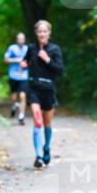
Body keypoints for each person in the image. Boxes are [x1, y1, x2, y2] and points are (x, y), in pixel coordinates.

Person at [23, 20, 64, 169]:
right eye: (39, 31)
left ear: (49, 33)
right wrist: (24, 64)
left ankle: (46, 147)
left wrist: (47, 59)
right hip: (34, 88)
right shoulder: (31, 48)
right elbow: (25, 61)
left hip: (48, 89)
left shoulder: (54, 49)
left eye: (44, 31)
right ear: (36, 33)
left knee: (47, 123)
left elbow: (60, 70)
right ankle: (38, 156)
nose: (42, 34)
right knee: (37, 121)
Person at [4, 33, 29, 125]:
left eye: (22, 39)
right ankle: (14, 105)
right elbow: (6, 60)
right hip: (13, 75)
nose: (21, 40)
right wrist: (16, 60)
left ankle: (21, 116)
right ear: (16, 39)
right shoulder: (12, 48)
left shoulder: (28, 49)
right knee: (14, 96)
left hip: (24, 76)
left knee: (23, 96)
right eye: (19, 39)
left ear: (24, 39)